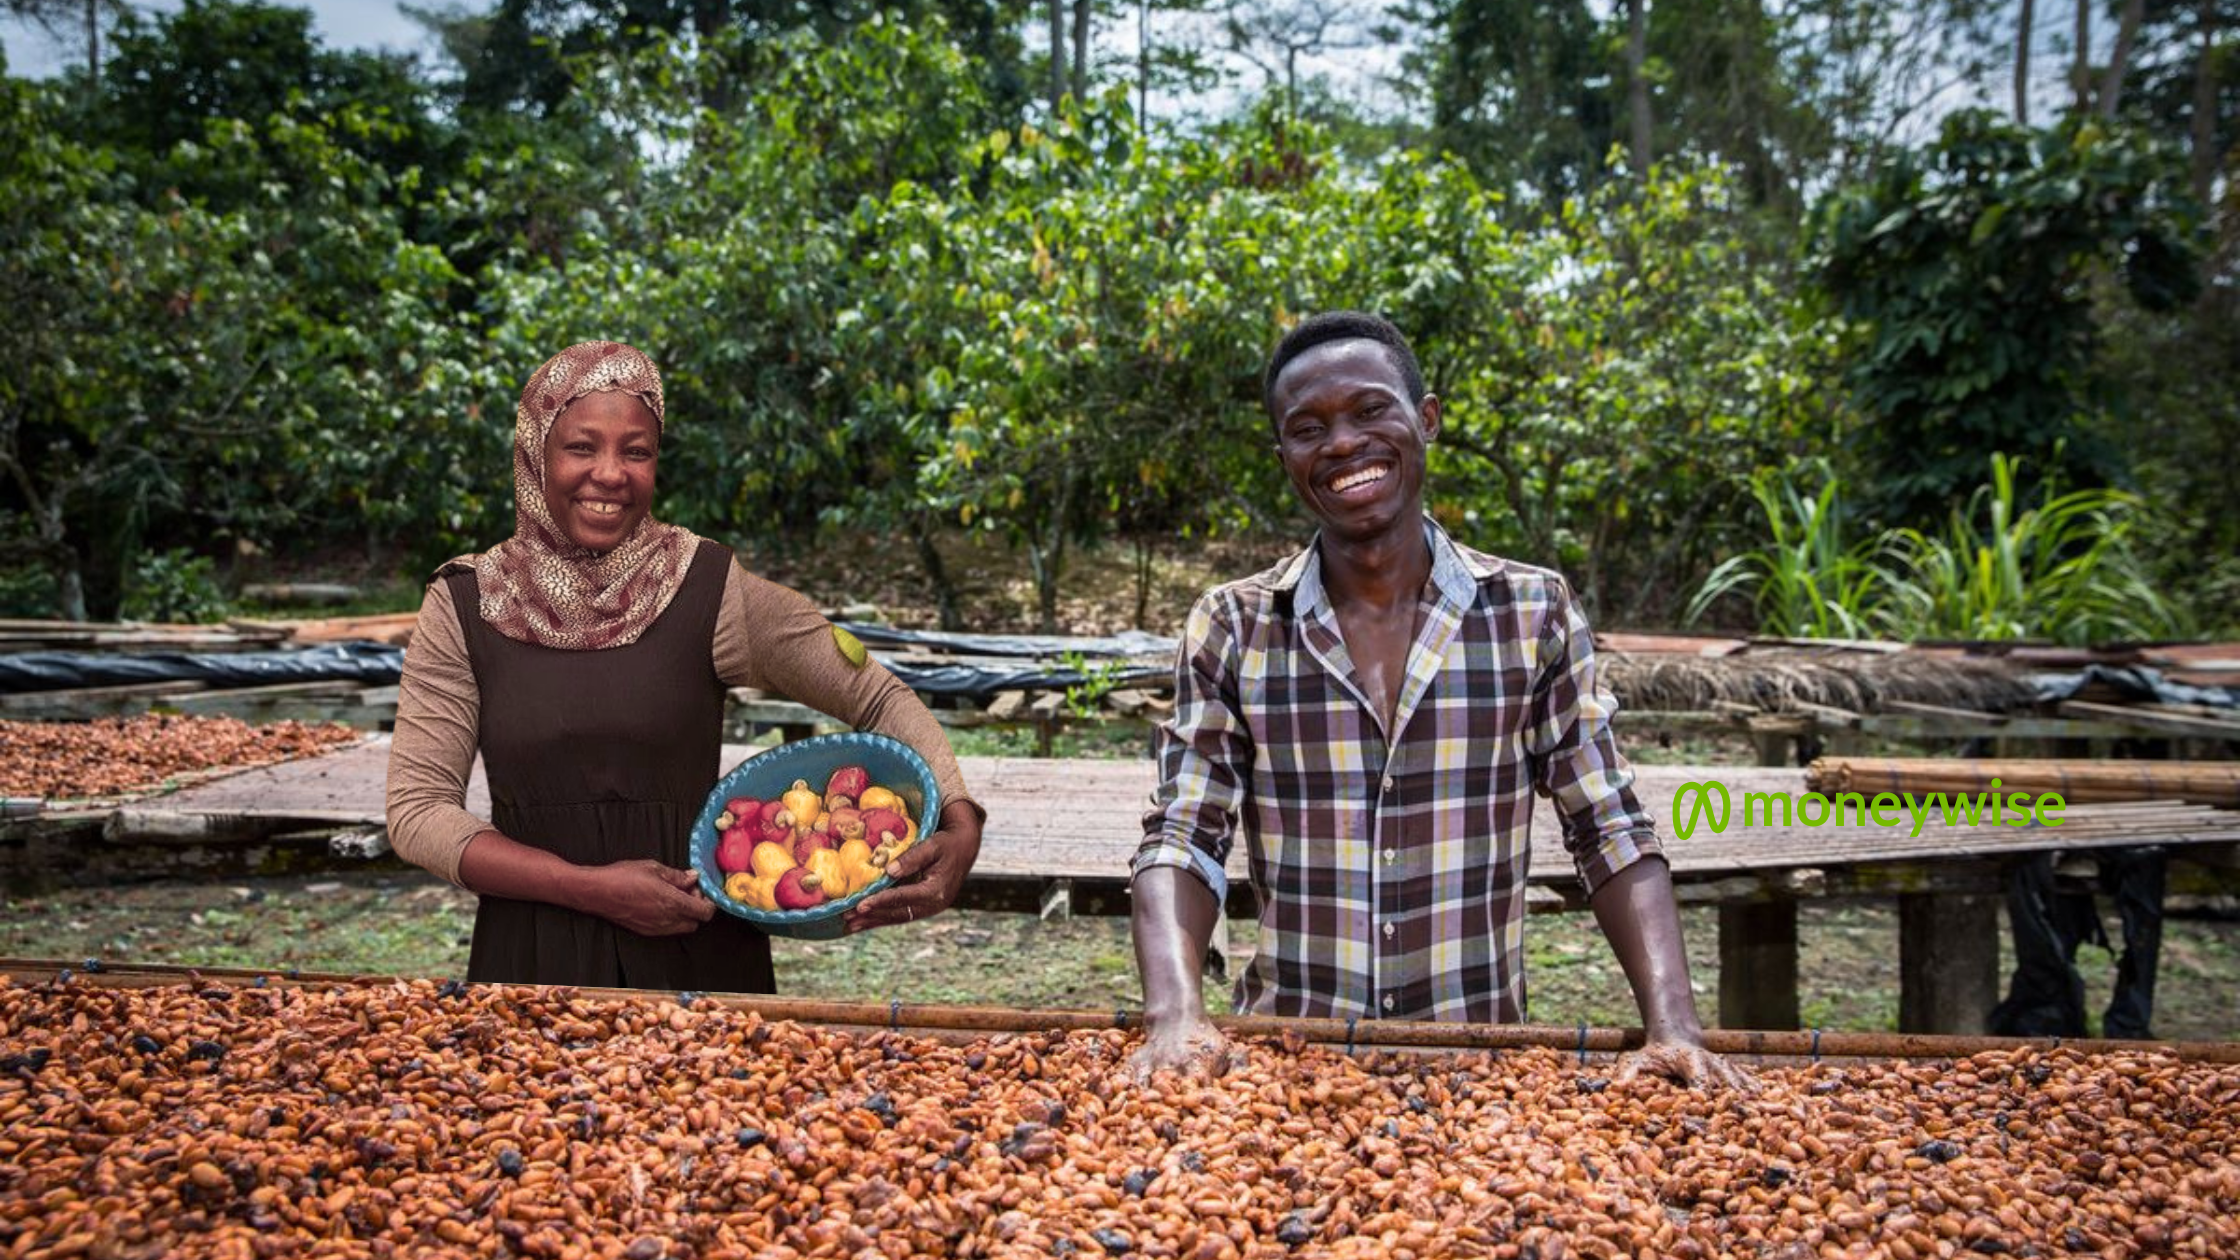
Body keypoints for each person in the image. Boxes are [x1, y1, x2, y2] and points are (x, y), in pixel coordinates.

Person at [1128, 311, 1750, 1089]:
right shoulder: (1235, 625)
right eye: (1309, 428)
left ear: (1426, 419)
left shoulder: (1531, 613)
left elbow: (1607, 825)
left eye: (1371, 410)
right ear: (1284, 457)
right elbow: (1185, 834)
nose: (1343, 443)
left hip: (1482, 1069)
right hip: (1289, 1066)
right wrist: (1175, 1014)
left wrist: (1673, 1026)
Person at [387, 340, 983, 991]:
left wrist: (960, 819)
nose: (610, 474)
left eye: (636, 451)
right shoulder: (468, 604)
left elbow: (875, 695)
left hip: (699, 960)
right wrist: (586, 888)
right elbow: (418, 812)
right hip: (532, 966)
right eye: (581, 447)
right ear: (535, 452)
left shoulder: (705, 586)